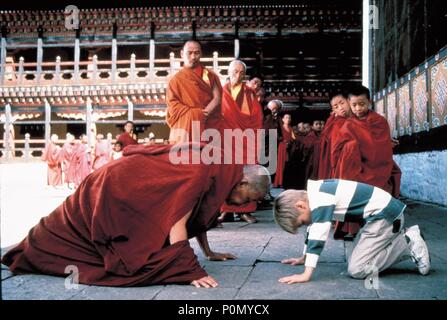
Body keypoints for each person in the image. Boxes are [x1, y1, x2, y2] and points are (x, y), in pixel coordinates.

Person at [1, 143, 270, 288]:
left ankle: (31, 246)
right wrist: (191, 270)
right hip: (114, 187)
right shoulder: (208, 170)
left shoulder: (224, 166)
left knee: (67, 228)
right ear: (243, 184)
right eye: (249, 199)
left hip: (129, 185)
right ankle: (28, 251)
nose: (245, 204)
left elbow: (199, 211)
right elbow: (179, 222)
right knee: (72, 232)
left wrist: (209, 252)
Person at [273, 179, 431, 284]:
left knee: (357, 269)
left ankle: (408, 242)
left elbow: (318, 234)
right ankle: (400, 239)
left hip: (385, 218)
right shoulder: (316, 193)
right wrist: (304, 257)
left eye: (301, 222)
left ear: (300, 206)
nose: (305, 224)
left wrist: (306, 274)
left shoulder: (320, 198)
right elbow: (312, 229)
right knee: (357, 259)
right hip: (378, 219)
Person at [331, 85, 402, 198]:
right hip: (355, 168)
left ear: (369, 101)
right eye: (354, 105)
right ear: (349, 102)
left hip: (377, 166)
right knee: (350, 147)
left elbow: (382, 148)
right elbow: (337, 148)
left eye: (362, 104)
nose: (358, 108)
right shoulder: (348, 125)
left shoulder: (380, 121)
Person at [218, 60, 264, 224]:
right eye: (235, 72)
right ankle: (226, 210)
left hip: (245, 140)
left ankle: (245, 211)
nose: (237, 75)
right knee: (226, 174)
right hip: (225, 139)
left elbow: (256, 118)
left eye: (241, 73)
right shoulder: (219, 92)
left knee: (246, 174)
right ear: (228, 72)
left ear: (244, 75)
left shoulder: (249, 94)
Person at [166, 40, 223, 143]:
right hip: (186, 127)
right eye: (189, 53)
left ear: (201, 54)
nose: (193, 57)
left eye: (196, 53)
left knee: (207, 156)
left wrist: (203, 115)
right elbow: (173, 106)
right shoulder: (175, 80)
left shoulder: (209, 75)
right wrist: (196, 114)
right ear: (182, 54)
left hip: (207, 123)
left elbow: (217, 98)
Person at [273, 113, 296, 188]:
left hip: (289, 147)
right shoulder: (280, 128)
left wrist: (291, 142)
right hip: (282, 148)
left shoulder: (291, 128)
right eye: (286, 118)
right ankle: (279, 182)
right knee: (281, 164)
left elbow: (294, 138)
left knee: (287, 165)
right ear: (282, 119)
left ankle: (284, 181)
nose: (288, 119)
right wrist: (283, 142)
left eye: (289, 118)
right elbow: (277, 138)